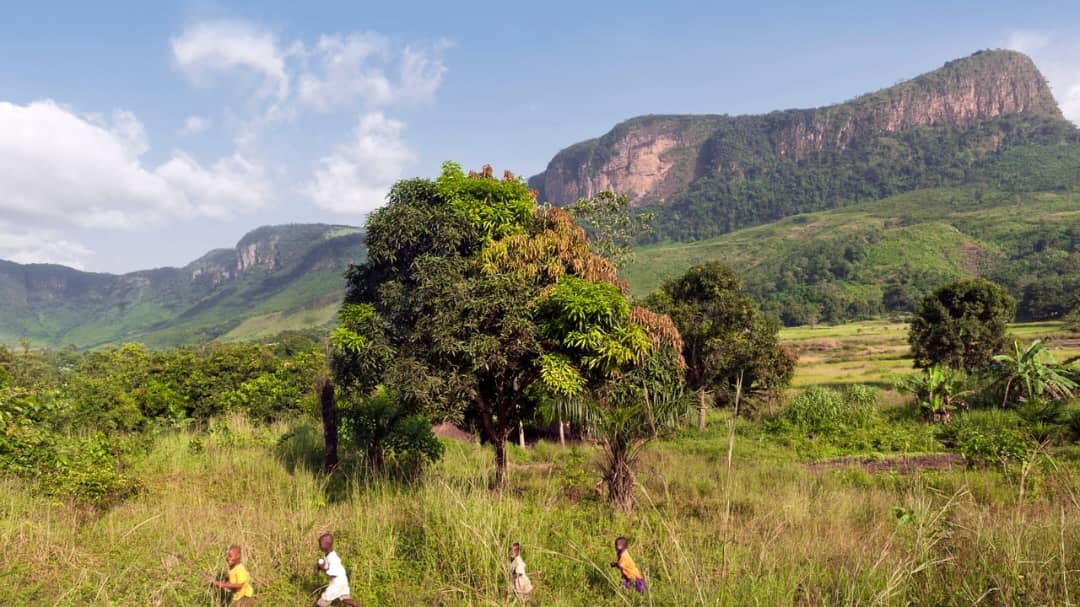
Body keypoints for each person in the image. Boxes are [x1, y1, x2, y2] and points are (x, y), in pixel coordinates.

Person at [315, 533, 361, 607]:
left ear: (327, 545)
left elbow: (332, 573)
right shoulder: (328, 555)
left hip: (337, 583)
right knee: (344, 599)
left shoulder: (333, 558)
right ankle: (356, 605)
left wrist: (322, 568)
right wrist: (320, 567)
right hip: (342, 581)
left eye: (320, 544)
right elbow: (327, 566)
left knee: (322, 601)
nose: (319, 546)